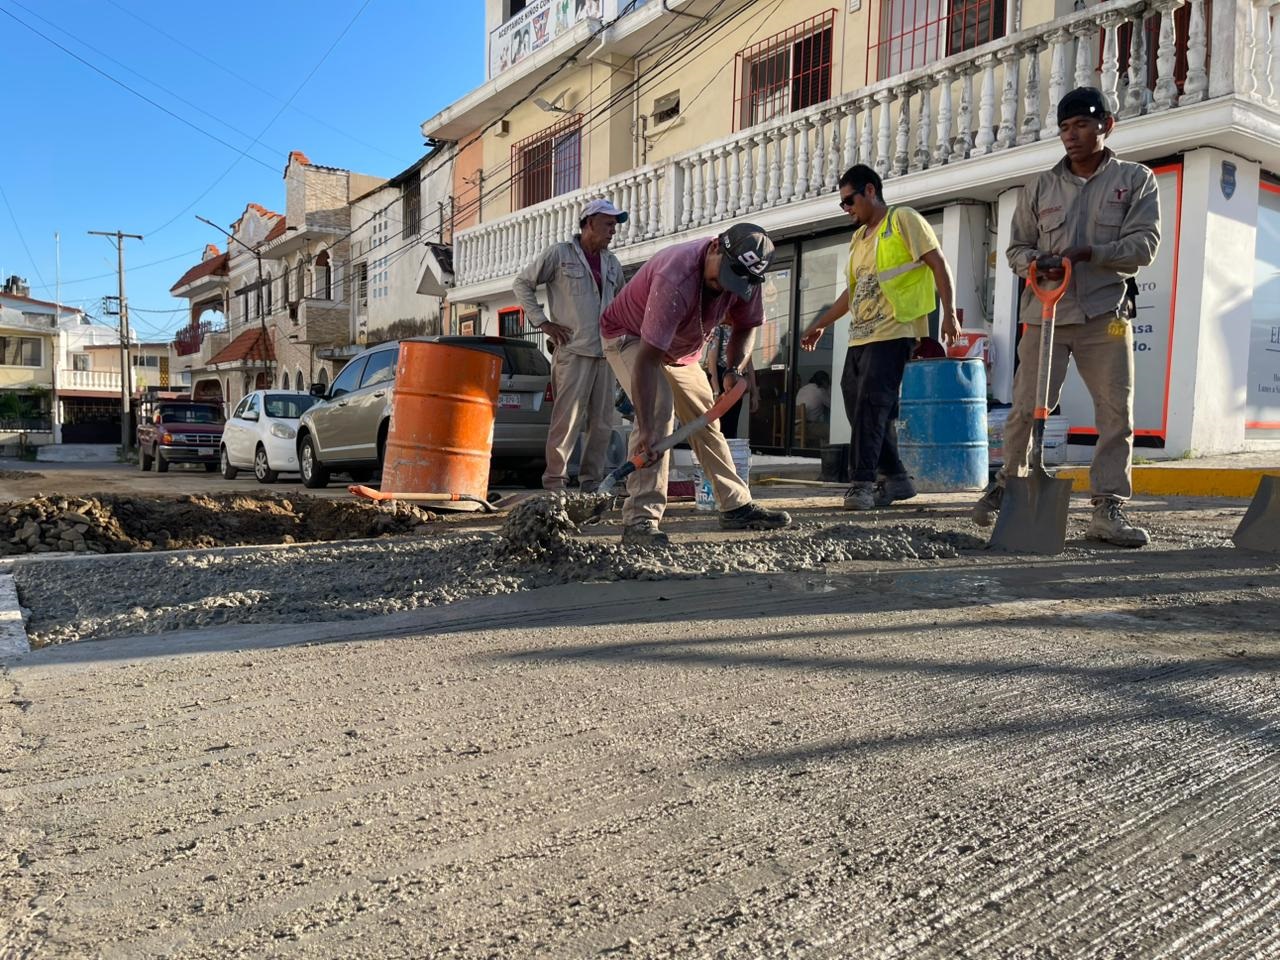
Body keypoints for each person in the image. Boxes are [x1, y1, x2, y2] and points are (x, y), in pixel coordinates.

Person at [972, 87, 1160, 548]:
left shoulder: (1135, 180)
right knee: (1025, 408)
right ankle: (1010, 486)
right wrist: (1037, 262)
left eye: (1081, 126)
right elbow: (1016, 248)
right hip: (1044, 313)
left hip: (1104, 314)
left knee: (1116, 412)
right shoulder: (1039, 186)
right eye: (1064, 128)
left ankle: (1108, 507)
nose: (1071, 136)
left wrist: (1092, 253)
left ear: (1106, 126)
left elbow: (1144, 246)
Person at [599, 223, 792, 545]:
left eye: (734, 284)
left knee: (707, 419)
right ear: (715, 247)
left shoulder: (746, 278)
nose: (724, 288)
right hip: (630, 338)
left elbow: (746, 326)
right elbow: (647, 359)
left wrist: (733, 368)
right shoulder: (676, 276)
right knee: (658, 412)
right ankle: (640, 520)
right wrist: (646, 428)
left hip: (681, 350)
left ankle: (735, 506)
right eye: (721, 278)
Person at [800, 164, 960, 510]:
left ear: (870, 190)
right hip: (860, 336)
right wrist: (821, 324)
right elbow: (851, 294)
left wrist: (948, 313)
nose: (846, 209)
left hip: (896, 329)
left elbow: (938, 263)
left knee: (871, 406)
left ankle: (862, 483)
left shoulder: (903, 220)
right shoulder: (858, 239)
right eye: (842, 204)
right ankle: (898, 479)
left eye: (849, 200)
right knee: (863, 406)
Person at [513, 198, 626, 492]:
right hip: (573, 352)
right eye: (608, 224)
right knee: (567, 422)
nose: (613, 231)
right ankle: (555, 484)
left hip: (606, 354)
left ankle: (591, 483)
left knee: (601, 425)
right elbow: (522, 284)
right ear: (589, 223)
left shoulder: (612, 263)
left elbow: (624, 303)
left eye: (615, 225)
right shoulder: (560, 254)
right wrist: (542, 323)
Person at [703, 322, 759, 439]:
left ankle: (730, 452)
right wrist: (716, 391)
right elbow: (712, 362)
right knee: (719, 425)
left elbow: (749, 363)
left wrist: (755, 392)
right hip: (722, 378)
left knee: (732, 424)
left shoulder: (744, 333)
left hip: (737, 381)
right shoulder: (718, 330)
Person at [794, 370, 832, 445]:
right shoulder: (820, 391)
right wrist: (829, 389)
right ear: (824, 382)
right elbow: (833, 405)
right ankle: (826, 454)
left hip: (795, 426)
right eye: (828, 382)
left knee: (820, 427)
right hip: (806, 426)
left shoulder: (802, 389)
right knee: (832, 431)